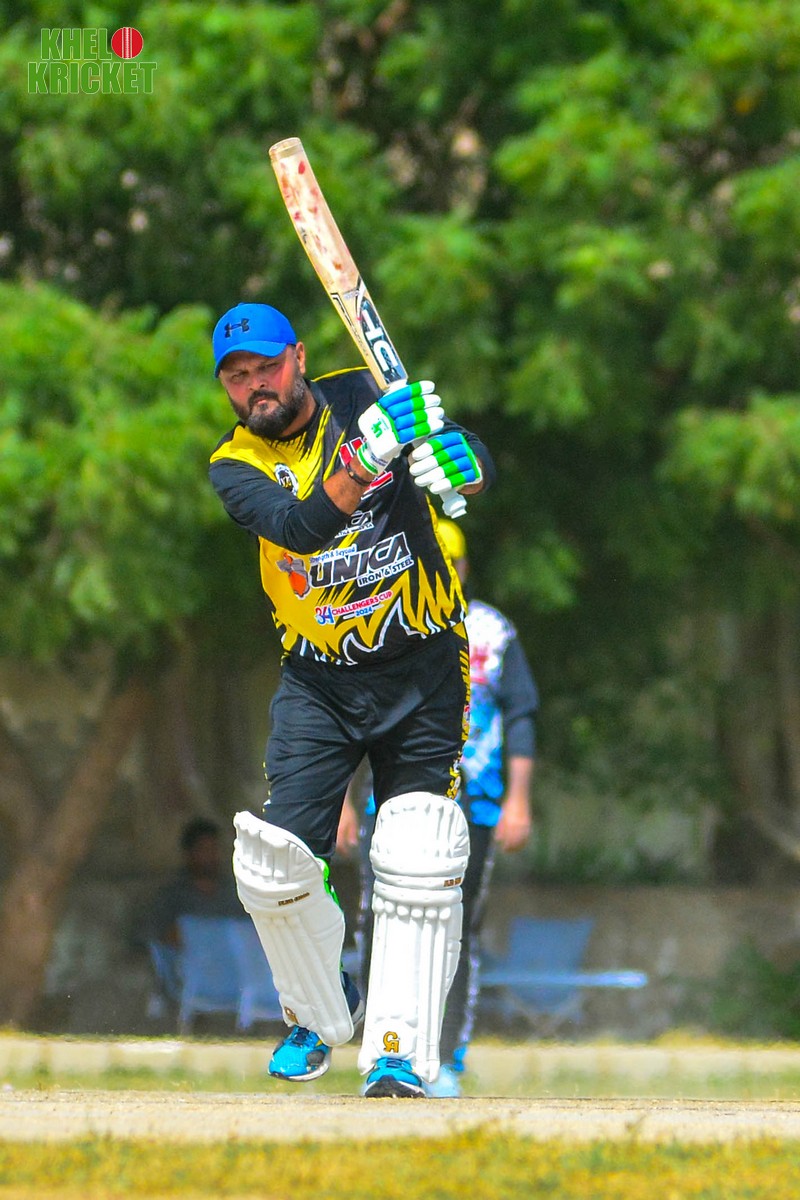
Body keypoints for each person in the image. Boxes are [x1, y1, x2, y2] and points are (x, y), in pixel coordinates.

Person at [207, 301, 494, 1098]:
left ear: (297, 358)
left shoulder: (365, 393)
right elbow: (301, 528)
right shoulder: (234, 464)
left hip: (423, 664)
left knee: (418, 849)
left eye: (267, 366)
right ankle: (317, 1011)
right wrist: (366, 459)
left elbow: (467, 452)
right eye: (238, 376)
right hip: (319, 681)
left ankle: (399, 1051)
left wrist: (462, 463)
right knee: (274, 865)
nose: (256, 385)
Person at [339, 518, 538, 1097]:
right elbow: (353, 718)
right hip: (388, 801)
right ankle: (385, 1050)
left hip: (474, 804)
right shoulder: (381, 620)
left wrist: (518, 800)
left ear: (464, 568)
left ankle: (446, 1056)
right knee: (378, 919)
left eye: (448, 563)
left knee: (456, 926)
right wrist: (344, 802)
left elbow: (521, 716)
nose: (439, 571)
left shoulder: (492, 632)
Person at [141, 817, 244, 1005]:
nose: (210, 856)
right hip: (188, 978)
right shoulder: (171, 896)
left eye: (214, 849)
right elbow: (160, 940)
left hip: (234, 980)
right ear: (188, 853)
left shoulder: (234, 894)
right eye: (203, 850)